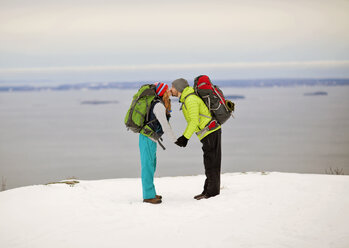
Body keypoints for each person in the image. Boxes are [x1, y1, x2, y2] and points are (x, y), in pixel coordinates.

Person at [170, 78, 222, 200]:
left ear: (179, 88)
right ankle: (207, 191)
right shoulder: (187, 99)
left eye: (172, 87)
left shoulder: (191, 100)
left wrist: (185, 138)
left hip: (211, 132)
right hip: (207, 133)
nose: (170, 89)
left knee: (212, 163)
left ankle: (212, 193)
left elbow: (194, 121)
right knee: (209, 162)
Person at [139, 82, 177, 204]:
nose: (169, 92)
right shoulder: (159, 106)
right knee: (148, 167)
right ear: (163, 92)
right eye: (167, 90)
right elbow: (165, 125)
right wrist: (175, 140)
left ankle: (150, 192)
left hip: (149, 139)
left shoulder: (158, 104)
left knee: (151, 165)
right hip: (147, 139)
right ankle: (148, 196)